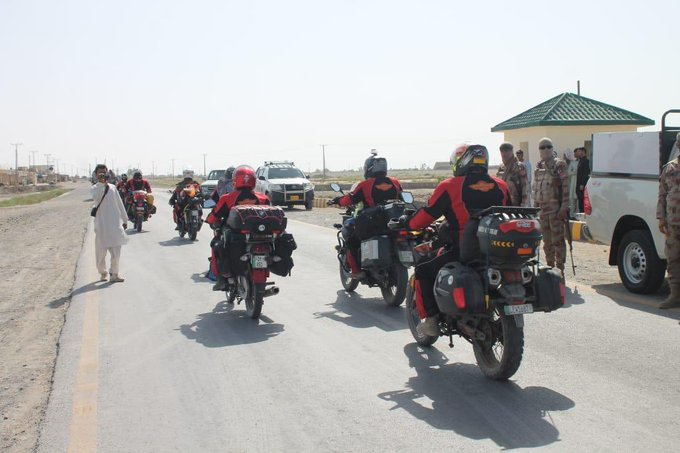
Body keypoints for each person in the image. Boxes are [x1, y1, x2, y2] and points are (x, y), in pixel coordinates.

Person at [406, 145, 509, 336]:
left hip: (463, 250)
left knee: (423, 269)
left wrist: (408, 223)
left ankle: (431, 320)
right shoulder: (501, 185)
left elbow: (426, 216)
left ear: (460, 163)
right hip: (497, 250)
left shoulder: (450, 186)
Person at [328, 153, 403, 278]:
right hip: (393, 222)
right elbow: (402, 197)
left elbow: (349, 200)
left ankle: (357, 271)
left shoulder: (365, 185)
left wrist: (337, 201)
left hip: (372, 223)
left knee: (351, 240)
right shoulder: (395, 182)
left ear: (369, 168)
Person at [206, 166, 271, 291]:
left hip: (236, 235)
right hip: (260, 235)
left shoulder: (227, 197)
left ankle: (222, 279)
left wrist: (210, 221)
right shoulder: (263, 198)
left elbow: (214, 216)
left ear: (235, 180)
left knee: (216, 245)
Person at [533, 138, 570, 280]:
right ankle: (550, 270)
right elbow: (536, 189)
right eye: (542, 147)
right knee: (547, 242)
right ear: (539, 150)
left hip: (555, 211)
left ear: (552, 148)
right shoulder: (539, 167)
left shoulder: (559, 165)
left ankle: (560, 271)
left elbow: (566, 188)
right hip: (542, 211)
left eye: (548, 146)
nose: (546, 149)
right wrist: (535, 210)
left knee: (558, 242)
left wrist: (564, 207)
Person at [90, 164, 128, 283]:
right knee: (100, 254)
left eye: (104, 172)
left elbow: (119, 203)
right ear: (96, 174)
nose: (102, 174)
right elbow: (96, 198)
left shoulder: (113, 188)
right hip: (101, 226)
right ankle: (103, 273)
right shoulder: (94, 188)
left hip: (115, 225)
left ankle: (114, 274)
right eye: (100, 172)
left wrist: (125, 219)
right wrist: (101, 184)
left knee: (116, 253)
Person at [658, 132, 680, 309]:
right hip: (673, 223)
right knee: (672, 258)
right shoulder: (669, 168)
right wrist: (661, 218)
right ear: (678, 145)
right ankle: (675, 295)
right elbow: (662, 195)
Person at [496, 142, 529, 206]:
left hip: (515, 206)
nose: (504, 153)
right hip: (502, 205)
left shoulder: (519, 167)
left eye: (506, 151)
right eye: (502, 151)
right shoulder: (501, 168)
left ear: (511, 152)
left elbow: (525, 189)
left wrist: (523, 207)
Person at [575, 147, 591, 213]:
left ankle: (583, 213)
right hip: (578, 183)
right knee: (579, 199)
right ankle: (581, 212)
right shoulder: (580, 160)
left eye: (579, 151)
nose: (578, 153)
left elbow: (585, 173)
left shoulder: (586, 161)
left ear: (583, 152)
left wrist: (582, 184)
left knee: (582, 199)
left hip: (582, 184)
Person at [565, 149, 579, 217]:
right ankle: (571, 215)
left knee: (579, 200)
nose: (575, 154)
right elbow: (569, 172)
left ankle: (578, 215)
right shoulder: (572, 163)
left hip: (579, 182)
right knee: (572, 199)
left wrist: (576, 171)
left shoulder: (582, 162)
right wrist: (575, 172)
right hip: (573, 182)